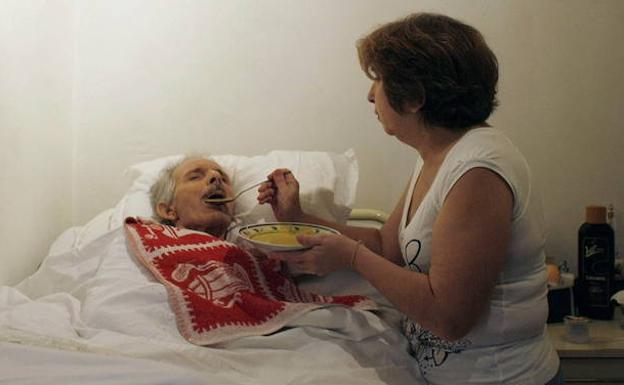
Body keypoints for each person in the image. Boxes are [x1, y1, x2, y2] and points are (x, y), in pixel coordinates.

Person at [258, 12, 564, 385]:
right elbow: (388, 245)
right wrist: (298, 216)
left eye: (379, 80)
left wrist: (352, 257)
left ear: (415, 96)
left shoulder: (478, 171)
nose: (370, 95)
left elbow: (450, 317)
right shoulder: (438, 154)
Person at [150, 155, 236, 239]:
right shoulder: (145, 243)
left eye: (224, 179)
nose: (216, 176)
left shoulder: (247, 249)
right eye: (195, 177)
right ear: (168, 210)